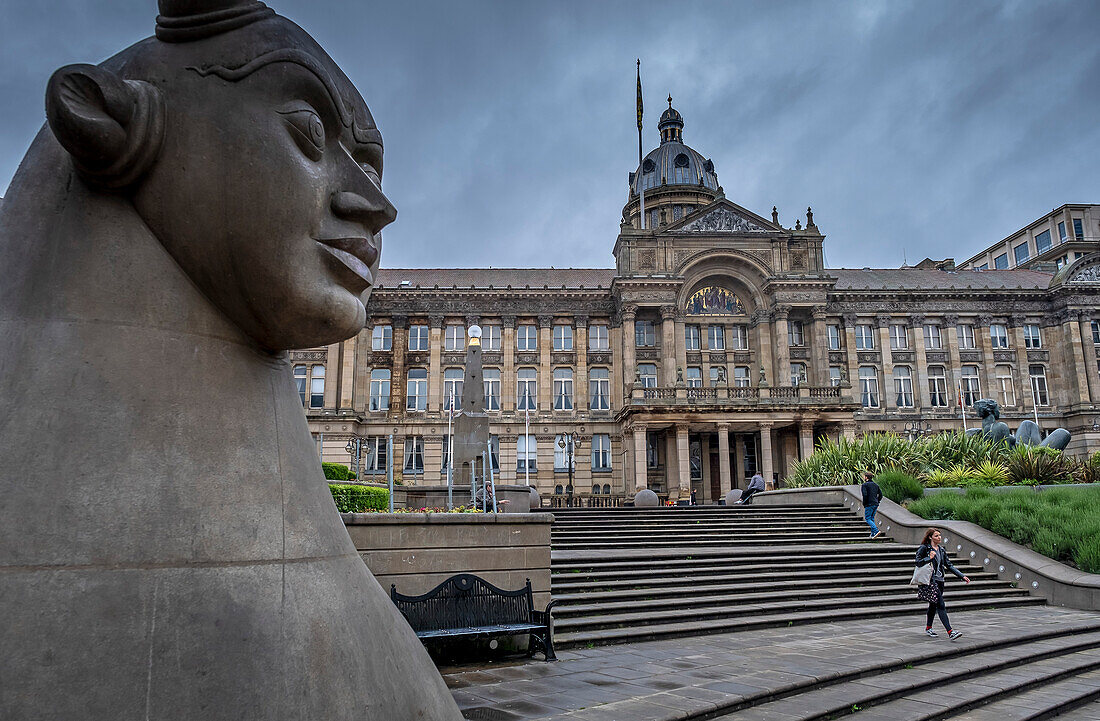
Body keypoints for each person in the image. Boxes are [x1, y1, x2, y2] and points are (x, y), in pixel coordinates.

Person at [915, 527, 971, 639]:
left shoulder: (941, 550)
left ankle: (928, 628)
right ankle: (950, 632)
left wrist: (962, 576)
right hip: (930, 581)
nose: (939, 537)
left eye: (940, 535)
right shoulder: (924, 548)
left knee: (933, 604)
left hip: (940, 581)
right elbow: (918, 562)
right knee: (941, 605)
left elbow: (949, 565)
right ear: (930, 537)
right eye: (936, 535)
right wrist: (929, 558)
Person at [860, 471, 884, 538]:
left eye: (864, 476)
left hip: (869, 504)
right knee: (872, 518)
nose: (864, 477)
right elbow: (881, 495)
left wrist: (864, 503)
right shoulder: (876, 485)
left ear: (866, 477)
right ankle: (873, 533)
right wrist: (877, 501)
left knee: (868, 518)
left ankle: (876, 531)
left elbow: (865, 495)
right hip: (875, 504)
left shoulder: (865, 485)